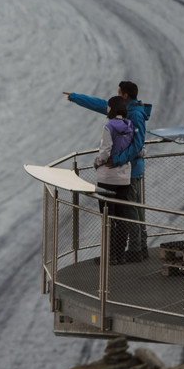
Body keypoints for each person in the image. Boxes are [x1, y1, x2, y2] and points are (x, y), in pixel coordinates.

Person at [63, 81, 153, 262]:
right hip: (129, 170)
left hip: (129, 171)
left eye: (119, 92)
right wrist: (75, 97)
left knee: (130, 211)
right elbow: (100, 104)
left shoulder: (134, 115)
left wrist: (116, 160)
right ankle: (140, 247)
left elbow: (137, 145)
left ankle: (135, 250)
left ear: (125, 96)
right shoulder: (127, 111)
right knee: (134, 209)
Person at [92, 96, 135, 264]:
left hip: (107, 178)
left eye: (108, 106)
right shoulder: (130, 125)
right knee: (121, 217)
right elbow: (138, 149)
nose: (107, 109)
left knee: (107, 218)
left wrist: (96, 163)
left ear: (112, 108)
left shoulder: (108, 127)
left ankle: (108, 256)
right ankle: (120, 254)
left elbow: (105, 152)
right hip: (124, 178)